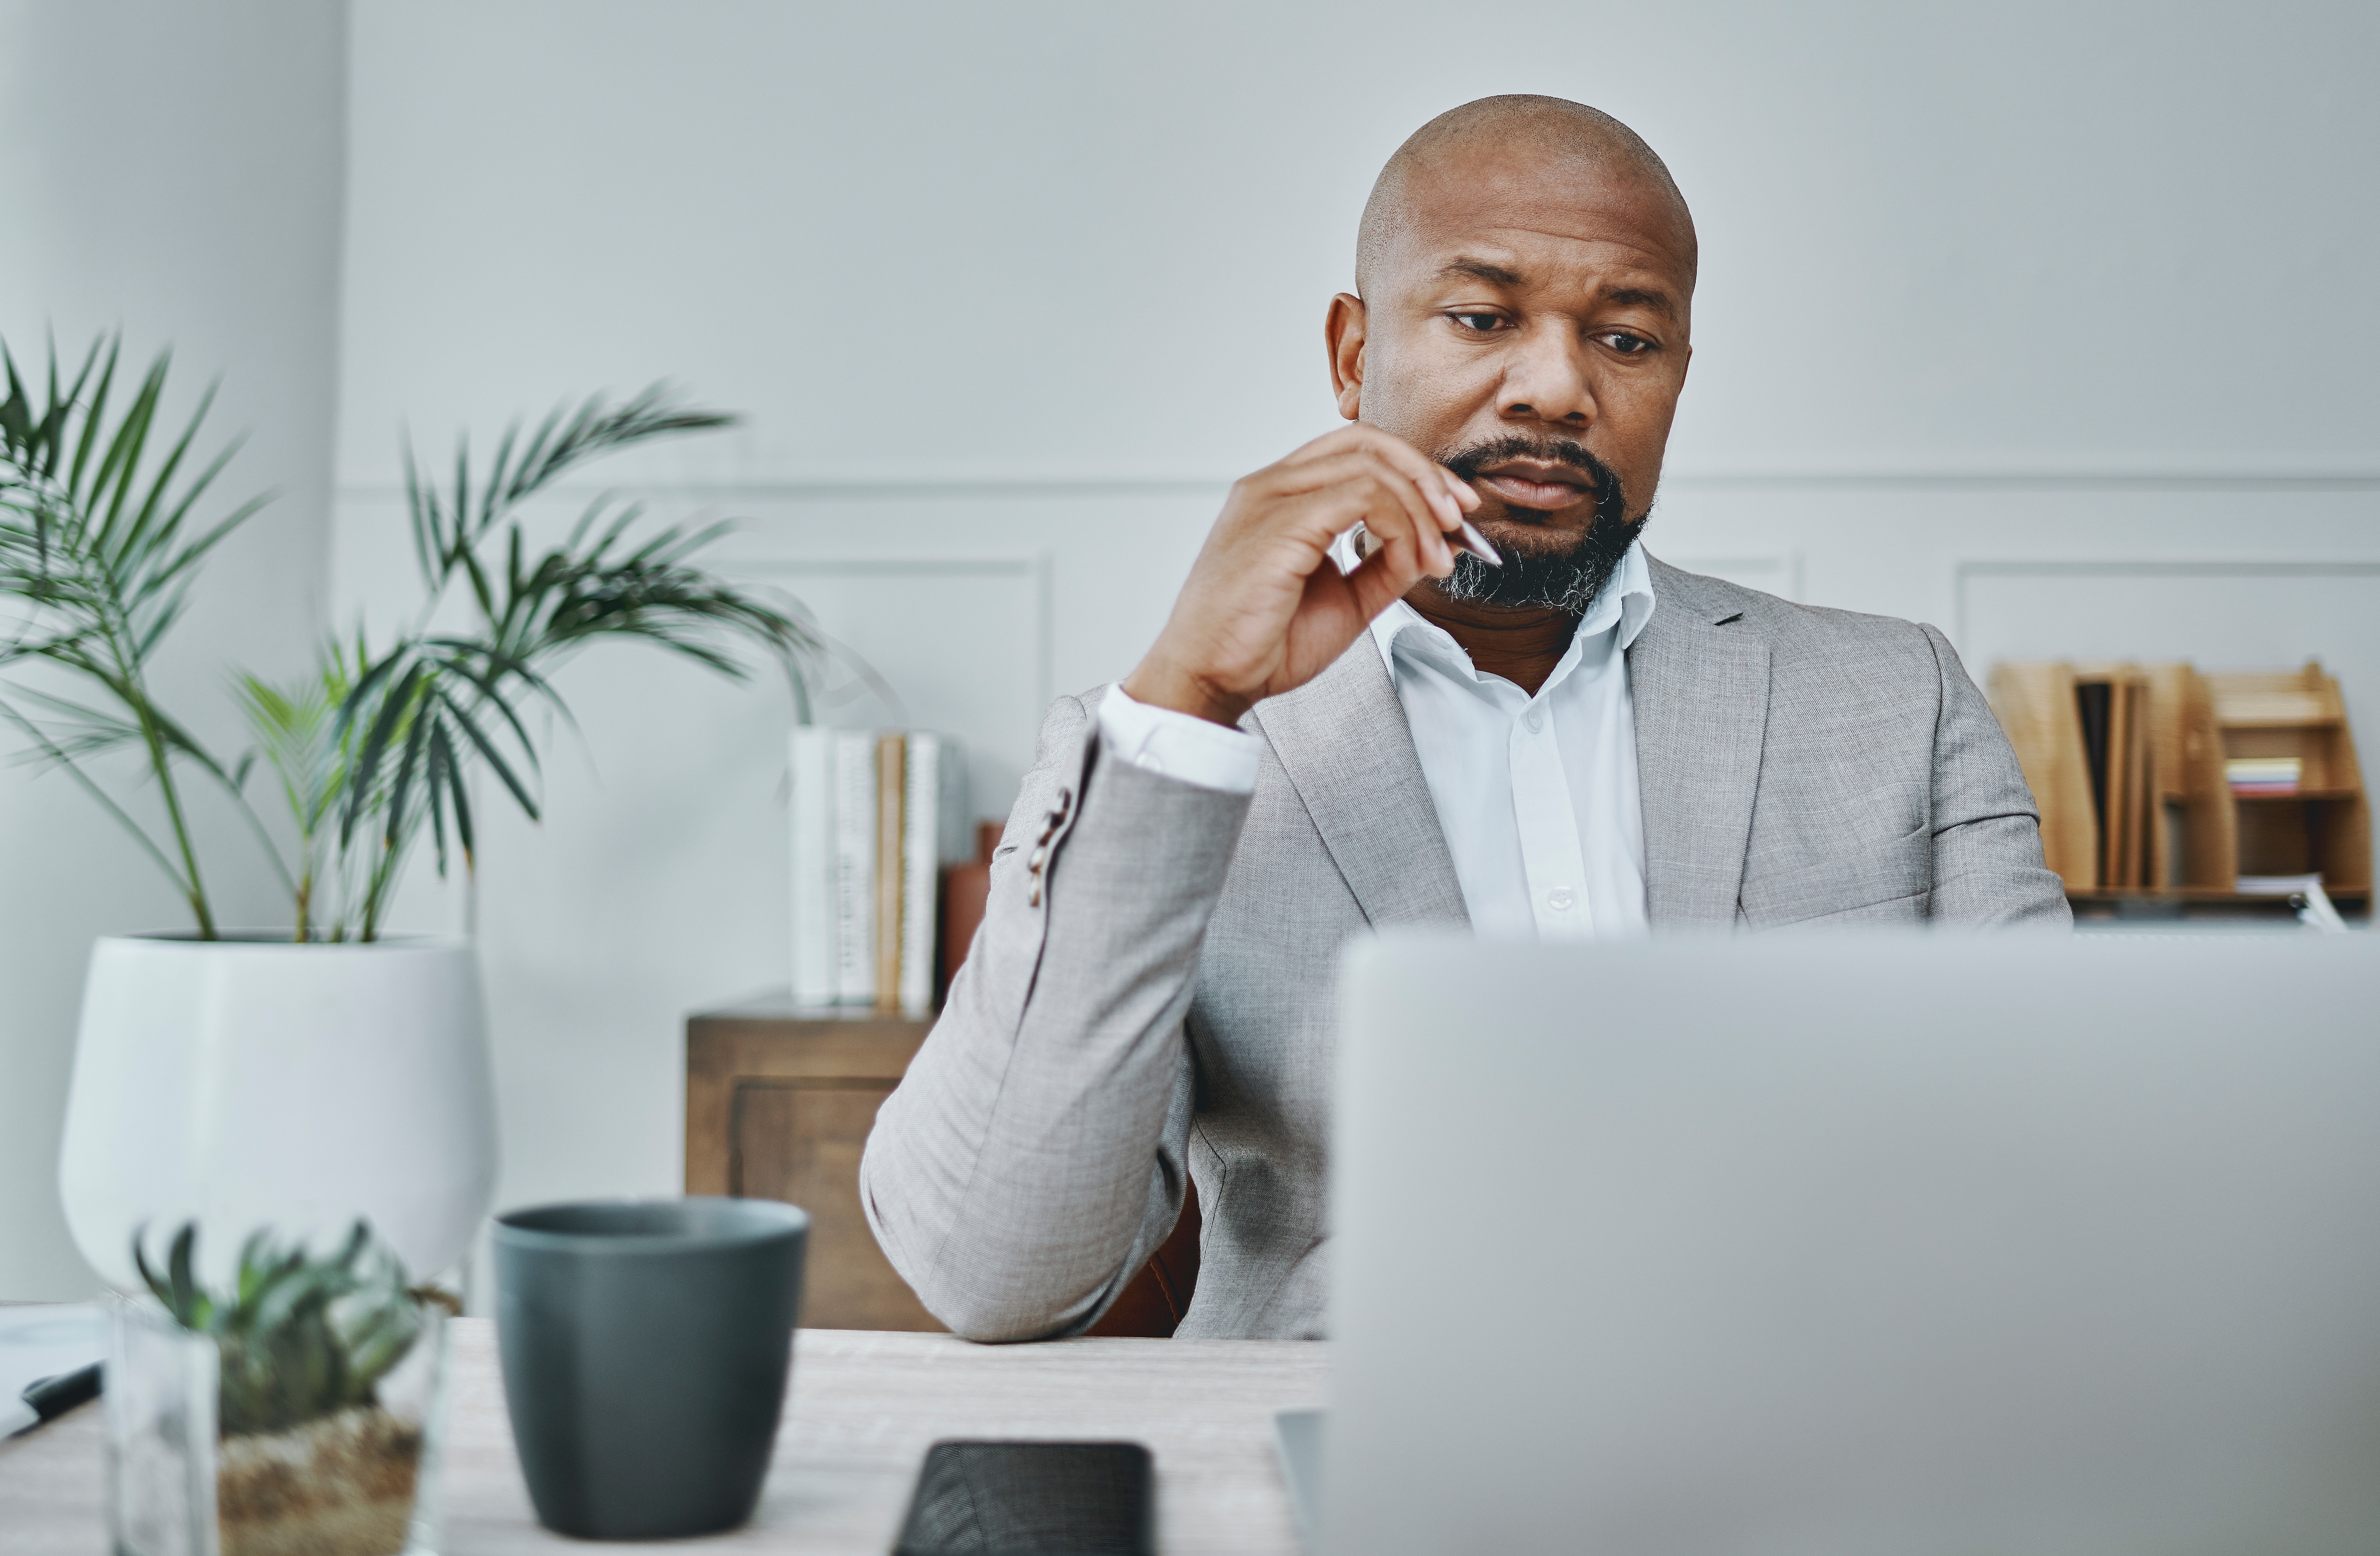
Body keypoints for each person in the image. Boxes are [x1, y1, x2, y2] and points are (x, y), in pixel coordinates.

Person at [859, 95, 2067, 1343]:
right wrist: (1188, 699)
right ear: (1352, 356)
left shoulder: (1896, 698)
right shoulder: (1177, 753)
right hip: (1347, 1426)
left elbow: (2065, 1168)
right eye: (1483, 318)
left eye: (1627, 339)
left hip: (1805, 1422)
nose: (1556, 388)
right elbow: (998, 1272)